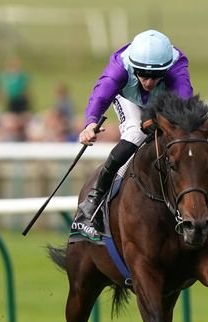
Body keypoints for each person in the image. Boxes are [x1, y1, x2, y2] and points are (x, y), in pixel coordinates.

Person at [77, 29, 193, 232]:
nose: (148, 82)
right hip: (128, 98)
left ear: (165, 69)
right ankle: (94, 200)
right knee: (135, 133)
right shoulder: (120, 67)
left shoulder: (176, 66)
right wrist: (90, 124)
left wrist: (162, 123)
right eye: (142, 74)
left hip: (163, 104)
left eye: (155, 76)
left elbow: (183, 104)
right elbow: (101, 96)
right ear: (133, 67)